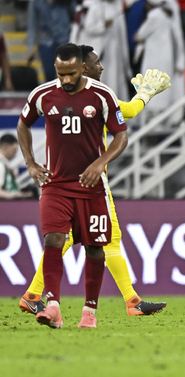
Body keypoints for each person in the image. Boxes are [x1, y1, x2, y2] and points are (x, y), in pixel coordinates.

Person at [18, 45, 171, 318]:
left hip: (84, 180)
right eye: (96, 62)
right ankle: (36, 295)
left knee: (88, 240)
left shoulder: (99, 97)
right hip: (89, 182)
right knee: (92, 240)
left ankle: (129, 299)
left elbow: (124, 116)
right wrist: (146, 94)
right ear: (83, 68)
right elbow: (130, 111)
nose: (101, 67)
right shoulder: (88, 96)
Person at [17, 43, 128, 329]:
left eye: (71, 74)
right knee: (53, 240)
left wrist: (99, 163)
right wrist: (30, 162)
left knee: (94, 248)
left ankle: (89, 313)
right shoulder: (42, 94)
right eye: (60, 73)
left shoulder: (102, 95)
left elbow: (121, 136)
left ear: (82, 68)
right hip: (55, 184)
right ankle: (52, 306)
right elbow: (22, 125)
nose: (65, 80)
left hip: (92, 186)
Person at [134, 0, 185, 119]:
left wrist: (138, 37)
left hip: (154, 59)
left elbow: (139, 36)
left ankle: (151, 119)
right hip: (166, 58)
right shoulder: (167, 17)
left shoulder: (154, 15)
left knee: (151, 91)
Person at [77, 0, 132, 99]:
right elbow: (88, 28)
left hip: (116, 50)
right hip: (103, 53)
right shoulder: (95, 6)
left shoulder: (117, 6)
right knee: (105, 79)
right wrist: (103, 25)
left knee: (117, 80)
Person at [26, 0, 74, 82]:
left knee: (66, 73)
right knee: (49, 73)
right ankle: (52, 93)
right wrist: (30, 47)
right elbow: (32, 24)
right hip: (46, 41)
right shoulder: (35, 2)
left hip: (64, 39)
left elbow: (74, 15)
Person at [0, 134, 33, 199]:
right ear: (5, 147)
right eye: (14, 149)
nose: (15, 153)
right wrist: (16, 196)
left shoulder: (4, 164)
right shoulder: (0, 164)